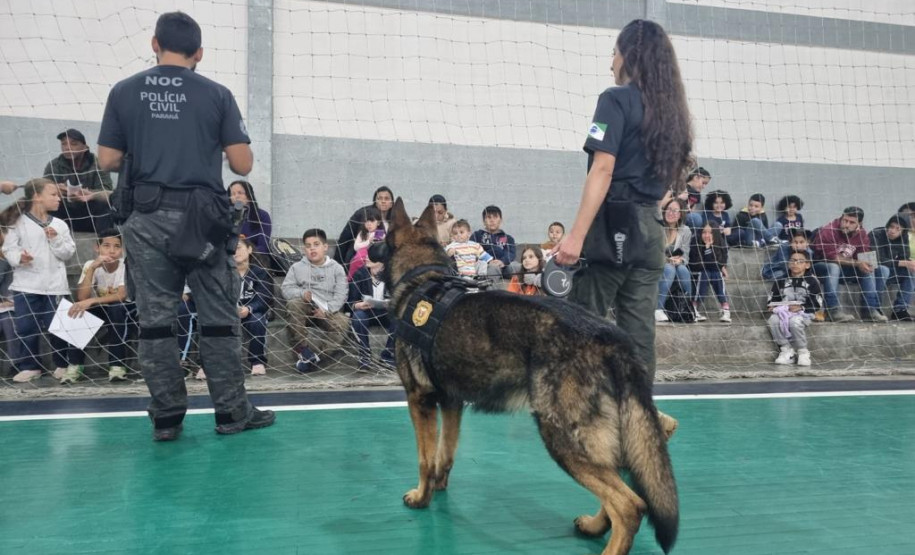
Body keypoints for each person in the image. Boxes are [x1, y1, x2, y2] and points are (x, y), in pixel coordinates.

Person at [95, 11, 274, 440]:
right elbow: (242, 164)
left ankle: (167, 419)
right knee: (218, 319)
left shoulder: (123, 91)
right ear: (200, 53)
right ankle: (232, 413)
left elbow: (107, 159)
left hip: (145, 218)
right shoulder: (217, 94)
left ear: (155, 45)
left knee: (156, 322)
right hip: (203, 221)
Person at [552, 19, 692, 442]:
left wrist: (576, 235)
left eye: (613, 53)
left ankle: (580, 416)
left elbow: (603, 168)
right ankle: (640, 420)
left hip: (614, 226)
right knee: (638, 332)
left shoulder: (614, 99)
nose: (610, 62)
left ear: (629, 55)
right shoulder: (673, 112)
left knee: (579, 322)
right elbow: (671, 178)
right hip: (650, 231)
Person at [0, 178, 75, 383]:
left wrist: (55, 239)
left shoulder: (60, 224)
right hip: (26, 286)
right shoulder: (17, 223)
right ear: (37, 197)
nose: (58, 198)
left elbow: (68, 253)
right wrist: (19, 258)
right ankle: (30, 366)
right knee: (26, 327)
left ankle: (62, 364)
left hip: (55, 287)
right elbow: (8, 249)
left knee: (57, 327)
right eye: (53, 194)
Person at [65, 228, 136, 383]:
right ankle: (75, 365)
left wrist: (91, 301)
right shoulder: (90, 264)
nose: (112, 251)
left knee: (117, 308)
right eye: (106, 246)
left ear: (122, 250)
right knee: (79, 310)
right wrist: (92, 268)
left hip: (128, 308)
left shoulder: (125, 265)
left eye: (117, 246)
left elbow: (121, 296)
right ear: (97, 248)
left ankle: (117, 365)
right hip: (104, 307)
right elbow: (82, 297)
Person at [281, 228, 349, 374]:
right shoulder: (296, 267)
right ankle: (303, 350)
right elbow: (286, 289)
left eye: (316, 244)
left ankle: (316, 357)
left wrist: (327, 310)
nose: (312, 248)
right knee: (294, 304)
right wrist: (301, 293)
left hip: (327, 311)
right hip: (305, 308)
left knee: (343, 322)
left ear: (325, 247)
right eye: (308, 245)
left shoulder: (337, 268)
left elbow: (341, 295)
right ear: (304, 249)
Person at [811, 207, 889, 323]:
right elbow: (832, 258)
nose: (846, 225)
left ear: (859, 224)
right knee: (834, 267)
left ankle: (870, 310)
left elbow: (864, 256)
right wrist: (858, 263)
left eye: (851, 222)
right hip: (821, 268)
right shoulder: (829, 230)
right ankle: (832, 311)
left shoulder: (862, 233)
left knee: (882, 270)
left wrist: (867, 264)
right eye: (845, 220)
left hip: (846, 270)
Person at [40, 129, 115, 234]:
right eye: (64, 144)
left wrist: (90, 194)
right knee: (45, 202)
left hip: (90, 214)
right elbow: (43, 191)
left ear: (85, 147)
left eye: (73, 144)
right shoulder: (54, 165)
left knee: (104, 204)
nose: (67, 147)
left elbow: (107, 191)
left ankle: (106, 239)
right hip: (65, 213)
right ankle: (51, 236)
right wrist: (56, 190)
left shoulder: (98, 164)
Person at [766, 250, 822, 367]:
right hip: (784, 312)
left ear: (807, 265)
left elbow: (817, 302)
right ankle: (786, 350)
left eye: (800, 261)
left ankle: (803, 352)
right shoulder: (781, 280)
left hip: (804, 312)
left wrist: (801, 307)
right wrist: (773, 306)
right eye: (792, 261)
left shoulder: (812, 281)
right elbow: (772, 298)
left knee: (794, 322)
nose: (795, 264)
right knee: (773, 320)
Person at [348, 256, 395, 370]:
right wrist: (358, 305)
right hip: (366, 311)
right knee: (358, 317)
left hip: (386, 312)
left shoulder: (392, 274)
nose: (367, 258)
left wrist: (392, 303)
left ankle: (388, 356)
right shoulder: (360, 274)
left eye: (371, 256)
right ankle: (365, 355)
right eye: (367, 255)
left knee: (400, 319)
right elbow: (350, 301)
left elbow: (400, 297)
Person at [234, 237, 272, 375]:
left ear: (249, 249)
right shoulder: (224, 273)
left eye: (238, 247)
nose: (235, 252)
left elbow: (264, 297)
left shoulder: (260, 272)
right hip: (228, 312)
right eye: (232, 249)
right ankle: (206, 364)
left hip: (251, 312)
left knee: (258, 320)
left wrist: (249, 309)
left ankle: (257, 361)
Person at [333, 186, 394, 266]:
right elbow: (345, 237)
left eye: (386, 198)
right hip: (361, 259)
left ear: (391, 203)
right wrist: (337, 264)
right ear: (375, 201)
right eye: (380, 198)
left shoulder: (395, 219)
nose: (383, 201)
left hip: (385, 261)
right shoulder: (363, 213)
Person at [868, 215, 914, 321]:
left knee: (911, 272)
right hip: (872, 271)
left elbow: (904, 257)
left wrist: (910, 263)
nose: (893, 231)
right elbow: (875, 260)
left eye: (898, 229)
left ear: (903, 232)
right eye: (892, 227)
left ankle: (900, 310)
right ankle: (875, 308)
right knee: (884, 270)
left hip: (890, 272)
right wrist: (902, 262)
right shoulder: (876, 234)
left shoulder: (903, 238)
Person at [655, 199, 692, 322]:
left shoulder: (685, 231)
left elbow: (686, 256)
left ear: (681, 214)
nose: (671, 213)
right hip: (657, 266)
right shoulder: (657, 227)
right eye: (669, 209)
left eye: (675, 210)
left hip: (675, 267)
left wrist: (680, 260)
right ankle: (657, 309)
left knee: (682, 269)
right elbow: (650, 253)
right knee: (669, 268)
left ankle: (688, 307)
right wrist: (666, 259)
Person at [690, 221, 731, 323]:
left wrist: (709, 249)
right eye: (704, 232)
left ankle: (725, 308)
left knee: (716, 274)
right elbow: (699, 265)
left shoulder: (720, 243)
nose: (707, 235)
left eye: (710, 233)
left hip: (712, 271)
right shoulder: (695, 242)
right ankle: (693, 308)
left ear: (715, 234)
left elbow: (718, 264)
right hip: (697, 272)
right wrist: (707, 249)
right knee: (706, 273)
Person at [228, 180, 272, 268]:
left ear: (248, 196)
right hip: (229, 258)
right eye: (233, 194)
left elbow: (263, 247)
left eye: (240, 193)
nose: (236, 196)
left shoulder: (262, 216)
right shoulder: (225, 216)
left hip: (255, 259)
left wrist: (244, 252)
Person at [470, 205, 520, 278]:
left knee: (517, 267)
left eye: (495, 217)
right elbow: (472, 252)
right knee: (493, 268)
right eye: (489, 217)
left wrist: (502, 261)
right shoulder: (477, 235)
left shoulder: (508, 238)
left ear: (501, 220)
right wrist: (489, 261)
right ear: (484, 221)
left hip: (504, 265)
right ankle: (489, 285)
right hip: (486, 266)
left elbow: (510, 253)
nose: (492, 220)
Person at [346, 206, 384, 281]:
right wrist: (368, 242)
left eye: (372, 221)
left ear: (378, 223)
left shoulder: (379, 233)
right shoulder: (362, 233)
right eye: (366, 221)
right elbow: (356, 247)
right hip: (361, 257)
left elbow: (378, 247)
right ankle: (350, 279)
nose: (369, 224)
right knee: (355, 262)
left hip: (374, 258)